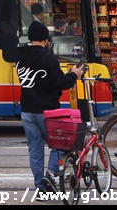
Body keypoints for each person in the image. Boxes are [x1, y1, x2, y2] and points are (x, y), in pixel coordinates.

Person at [16, 21, 85, 193]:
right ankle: (50, 175)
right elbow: (61, 83)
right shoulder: (49, 58)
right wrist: (74, 75)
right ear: (46, 40)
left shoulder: (21, 58)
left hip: (27, 110)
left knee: (35, 151)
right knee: (61, 143)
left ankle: (41, 188)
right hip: (48, 111)